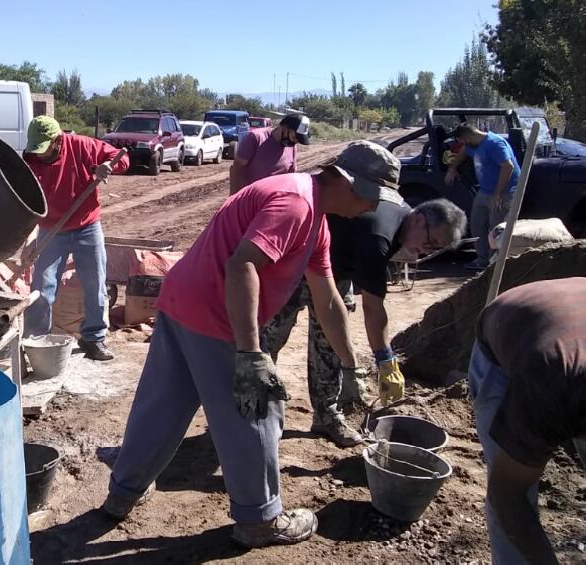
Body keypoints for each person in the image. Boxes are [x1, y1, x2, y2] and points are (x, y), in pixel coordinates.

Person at [103, 141, 403, 549]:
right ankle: (260, 520)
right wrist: (249, 353)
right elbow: (243, 264)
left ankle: (122, 492)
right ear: (350, 184)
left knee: (164, 403)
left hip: (182, 301)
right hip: (215, 314)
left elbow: (329, 300)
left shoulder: (316, 219)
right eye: (373, 198)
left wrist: (352, 367)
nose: (373, 209)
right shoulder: (295, 204)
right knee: (259, 409)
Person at [261, 198, 467, 446]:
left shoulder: (400, 224)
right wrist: (385, 360)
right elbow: (373, 308)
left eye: (435, 249)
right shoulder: (380, 235)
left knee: (329, 346)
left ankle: (326, 416)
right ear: (419, 219)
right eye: (430, 242)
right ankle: (256, 408)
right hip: (295, 267)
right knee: (268, 340)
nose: (427, 251)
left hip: (333, 273)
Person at [469, 278, 586, 564]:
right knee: (511, 494)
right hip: (509, 331)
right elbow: (507, 495)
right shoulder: (548, 388)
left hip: (567, 318)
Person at [22, 116, 130, 361]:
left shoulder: (82, 146)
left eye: (44, 148)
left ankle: (94, 338)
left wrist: (106, 167)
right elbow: (26, 207)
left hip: (87, 226)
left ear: (58, 140)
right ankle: (36, 342)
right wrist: (30, 240)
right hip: (51, 229)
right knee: (42, 286)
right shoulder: (30, 161)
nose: (40, 154)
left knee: (95, 283)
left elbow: (122, 158)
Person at [444, 122, 521, 270]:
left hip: (504, 192)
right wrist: (452, 168)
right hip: (484, 191)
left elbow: (508, 166)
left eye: (463, 141)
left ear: (468, 136)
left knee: (496, 228)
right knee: (477, 223)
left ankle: (494, 264)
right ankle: (481, 259)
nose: (463, 144)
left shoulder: (494, 144)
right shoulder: (472, 146)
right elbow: (464, 151)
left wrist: (498, 193)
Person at [229, 114, 311, 194]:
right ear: (285, 128)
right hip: (251, 198)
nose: (294, 142)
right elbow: (237, 167)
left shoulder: (292, 147)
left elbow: (290, 175)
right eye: (294, 137)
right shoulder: (256, 138)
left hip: (273, 200)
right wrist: (234, 195)